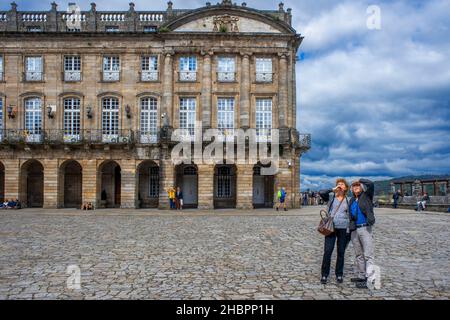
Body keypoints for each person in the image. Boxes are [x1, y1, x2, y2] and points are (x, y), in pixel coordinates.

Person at [318, 178, 351, 284]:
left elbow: (352, 214)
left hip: (343, 228)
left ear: (346, 188)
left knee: (341, 252)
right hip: (330, 227)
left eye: (342, 184)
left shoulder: (348, 200)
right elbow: (321, 192)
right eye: (338, 184)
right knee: (328, 251)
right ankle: (324, 274)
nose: (340, 186)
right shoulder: (331, 197)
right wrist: (333, 189)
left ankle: (339, 274)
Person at [349, 179, 376, 289]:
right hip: (355, 230)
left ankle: (370, 279)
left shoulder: (367, 196)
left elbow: (371, 184)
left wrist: (360, 180)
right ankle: (361, 276)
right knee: (358, 255)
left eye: (358, 186)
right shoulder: (351, 200)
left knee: (368, 255)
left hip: (365, 228)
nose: (355, 188)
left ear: (361, 188)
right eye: (354, 186)